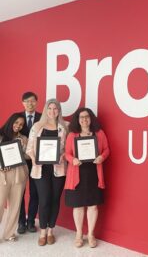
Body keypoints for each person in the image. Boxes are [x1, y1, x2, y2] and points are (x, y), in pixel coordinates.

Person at [65, 107, 109, 248]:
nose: (84, 119)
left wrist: (102, 157)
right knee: (77, 206)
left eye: (87, 117)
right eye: (81, 117)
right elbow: (67, 153)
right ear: (77, 120)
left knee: (92, 205)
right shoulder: (72, 135)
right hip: (77, 174)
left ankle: (90, 234)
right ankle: (78, 234)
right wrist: (72, 160)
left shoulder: (99, 133)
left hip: (94, 174)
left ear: (91, 118)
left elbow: (107, 149)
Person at [26, 98, 68, 246]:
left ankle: (51, 231)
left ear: (59, 110)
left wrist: (63, 155)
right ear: (45, 110)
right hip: (40, 169)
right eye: (49, 108)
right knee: (44, 200)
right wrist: (33, 159)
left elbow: (69, 148)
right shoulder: (37, 127)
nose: (52, 111)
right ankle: (42, 232)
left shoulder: (65, 127)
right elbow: (29, 148)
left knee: (55, 200)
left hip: (59, 169)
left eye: (55, 108)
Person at [0, 113, 29, 241]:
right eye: (16, 122)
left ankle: (9, 233)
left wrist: (23, 146)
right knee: (0, 204)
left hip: (19, 173)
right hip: (3, 174)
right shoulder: (0, 135)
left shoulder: (23, 138)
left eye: (21, 124)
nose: (18, 126)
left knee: (15, 204)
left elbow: (28, 156)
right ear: (11, 121)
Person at [18, 91, 41, 234]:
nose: (30, 103)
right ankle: (21, 222)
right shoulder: (18, 118)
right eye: (27, 101)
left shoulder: (42, 118)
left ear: (37, 102)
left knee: (35, 192)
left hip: (36, 160)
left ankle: (31, 220)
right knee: (19, 192)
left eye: (32, 101)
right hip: (19, 161)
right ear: (23, 103)